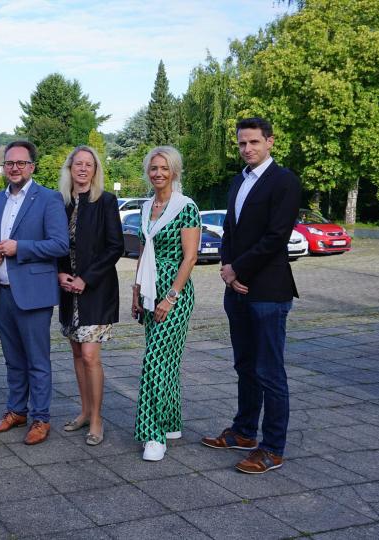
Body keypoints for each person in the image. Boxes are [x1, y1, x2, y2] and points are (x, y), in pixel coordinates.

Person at [201, 117, 301, 474]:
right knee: (245, 365)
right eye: (242, 143)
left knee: (269, 370)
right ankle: (244, 432)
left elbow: (276, 237)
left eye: (254, 142)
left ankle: (272, 447)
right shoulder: (238, 180)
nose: (247, 149)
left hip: (268, 291)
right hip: (237, 288)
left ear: (270, 142)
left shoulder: (284, 181)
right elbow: (229, 229)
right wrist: (228, 266)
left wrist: (237, 269)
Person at [0, 140, 69, 445]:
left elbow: (59, 244)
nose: (14, 168)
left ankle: (40, 418)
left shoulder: (48, 199)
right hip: (2, 293)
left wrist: (21, 248)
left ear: (32, 166)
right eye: (9, 163)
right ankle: (16, 411)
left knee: (37, 360)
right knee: (12, 359)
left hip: (33, 294)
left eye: (20, 163)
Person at [130, 146, 200, 462]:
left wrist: (171, 298)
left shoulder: (186, 207)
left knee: (154, 360)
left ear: (174, 171)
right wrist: (135, 291)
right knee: (167, 363)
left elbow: (190, 256)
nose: (158, 173)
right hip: (149, 289)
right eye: (153, 168)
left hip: (175, 291)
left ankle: (154, 435)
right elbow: (145, 250)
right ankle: (171, 423)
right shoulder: (147, 207)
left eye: (164, 168)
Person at [56, 146, 124, 446]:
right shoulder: (60, 202)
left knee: (90, 355)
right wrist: (59, 273)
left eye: (89, 165)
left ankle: (97, 418)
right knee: (75, 354)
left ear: (96, 170)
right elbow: (55, 243)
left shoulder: (106, 201)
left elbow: (115, 247)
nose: (83, 169)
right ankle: (84, 412)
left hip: (96, 290)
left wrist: (86, 278)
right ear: (70, 168)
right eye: (78, 164)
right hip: (68, 291)